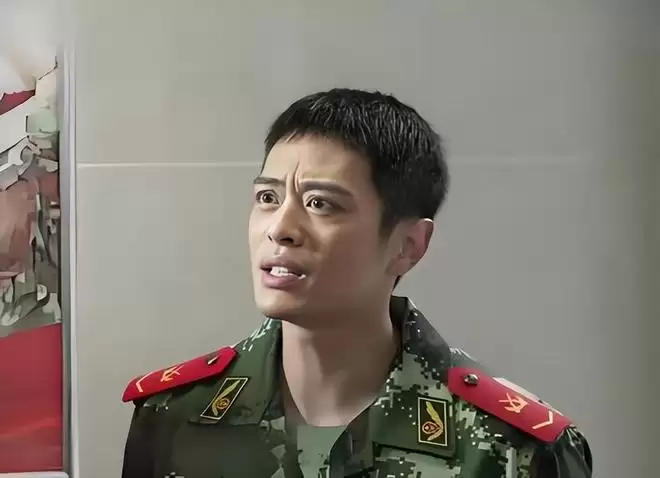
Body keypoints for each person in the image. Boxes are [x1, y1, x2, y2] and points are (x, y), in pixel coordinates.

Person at [121, 89, 593, 477]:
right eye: (267, 197)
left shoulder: (509, 450)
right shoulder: (174, 417)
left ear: (408, 245)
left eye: (321, 204)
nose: (280, 228)